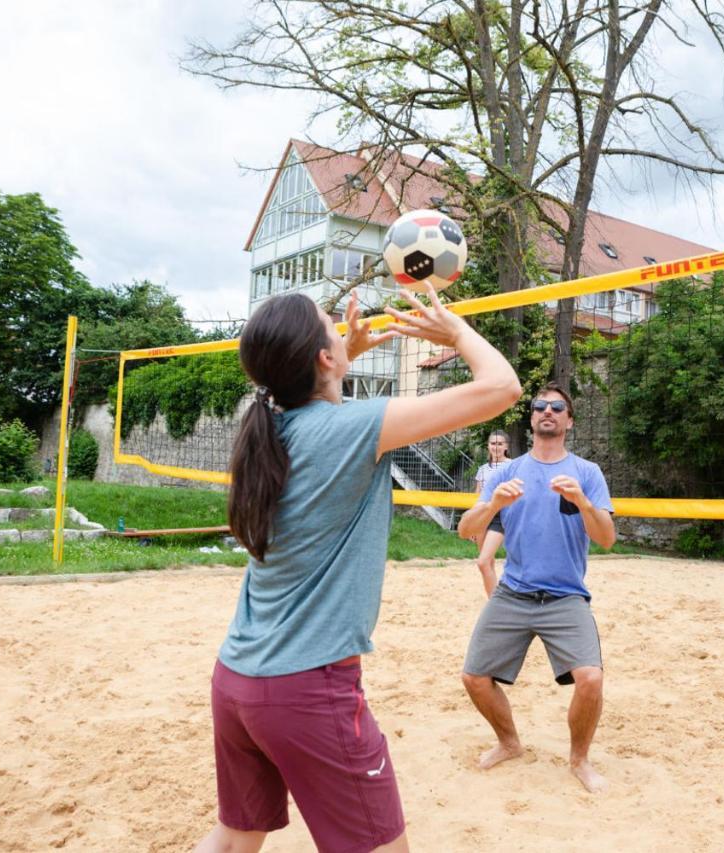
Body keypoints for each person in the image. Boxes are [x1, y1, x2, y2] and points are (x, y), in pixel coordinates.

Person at [195, 285, 520, 853]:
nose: (347, 328)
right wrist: (455, 331)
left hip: (237, 682)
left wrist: (343, 357)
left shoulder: (268, 432)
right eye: (332, 327)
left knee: (234, 836)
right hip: (306, 689)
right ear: (322, 357)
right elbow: (503, 387)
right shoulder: (352, 428)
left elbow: (311, 403)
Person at [456, 383, 616, 793]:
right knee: (474, 678)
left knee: (591, 680)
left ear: (569, 420)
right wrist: (493, 506)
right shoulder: (507, 472)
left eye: (557, 407)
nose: (548, 411)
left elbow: (607, 539)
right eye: (540, 406)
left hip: (565, 596)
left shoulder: (587, 473)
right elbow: (464, 530)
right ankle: (509, 743)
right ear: (531, 419)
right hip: (513, 592)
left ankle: (579, 760)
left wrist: (582, 502)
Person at [471, 430, 512, 597]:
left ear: (506, 447)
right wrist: (473, 523)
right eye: (493, 443)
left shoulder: (513, 465)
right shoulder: (482, 470)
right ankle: (494, 599)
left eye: (499, 443)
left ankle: (497, 601)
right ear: (488, 446)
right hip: (483, 515)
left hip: (502, 515)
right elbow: (477, 496)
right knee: (486, 562)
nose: (496, 447)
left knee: (483, 561)